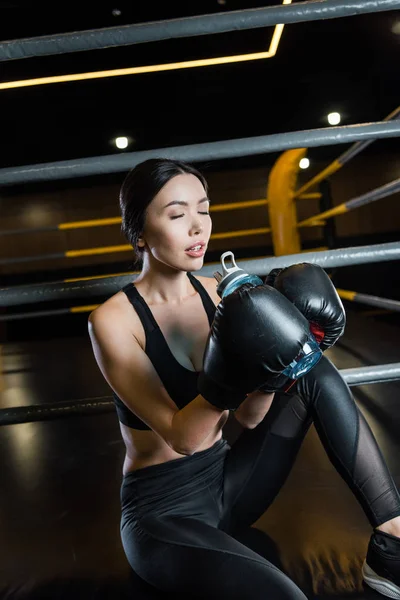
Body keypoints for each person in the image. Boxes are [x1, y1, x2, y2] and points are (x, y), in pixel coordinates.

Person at [88, 158, 400, 599]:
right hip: (164, 515)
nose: (198, 227)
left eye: (204, 209)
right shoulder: (113, 322)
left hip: (231, 484)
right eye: (177, 215)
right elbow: (184, 438)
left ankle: (393, 541)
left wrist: (286, 354)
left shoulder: (219, 295)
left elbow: (252, 418)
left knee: (310, 366)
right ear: (139, 232)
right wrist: (234, 367)